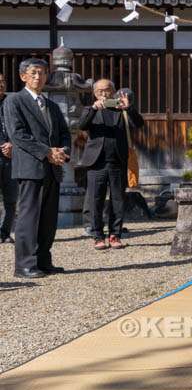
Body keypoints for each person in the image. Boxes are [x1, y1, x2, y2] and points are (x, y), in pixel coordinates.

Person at [3, 58, 71, 278]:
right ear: (23, 76)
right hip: (30, 166)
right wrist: (47, 152)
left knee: (48, 218)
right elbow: (18, 135)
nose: (37, 77)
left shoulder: (50, 104)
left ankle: (43, 260)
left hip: (52, 167)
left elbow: (64, 132)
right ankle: (24, 265)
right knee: (28, 217)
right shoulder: (14, 101)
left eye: (41, 73)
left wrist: (62, 151)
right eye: (33, 73)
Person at [81, 79, 145, 249]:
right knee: (96, 200)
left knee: (118, 199)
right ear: (95, 93)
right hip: (96, 162)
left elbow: (140, 124)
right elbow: (82, 125)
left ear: (114, 91)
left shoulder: (122, 110)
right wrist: (94, 109)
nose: (104, 94)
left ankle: (115, 235)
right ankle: (97, 236)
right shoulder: (90, 110)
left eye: (108, 90)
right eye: (100, 91)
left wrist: (128, 108)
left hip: (118, 160)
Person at [0, 73, 17, 243]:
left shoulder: (12, 103)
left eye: (2, 81)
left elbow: (21, 127)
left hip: (12, 156)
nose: (0, 85)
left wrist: (13, 144)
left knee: (11, 199)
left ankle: (5, 232)